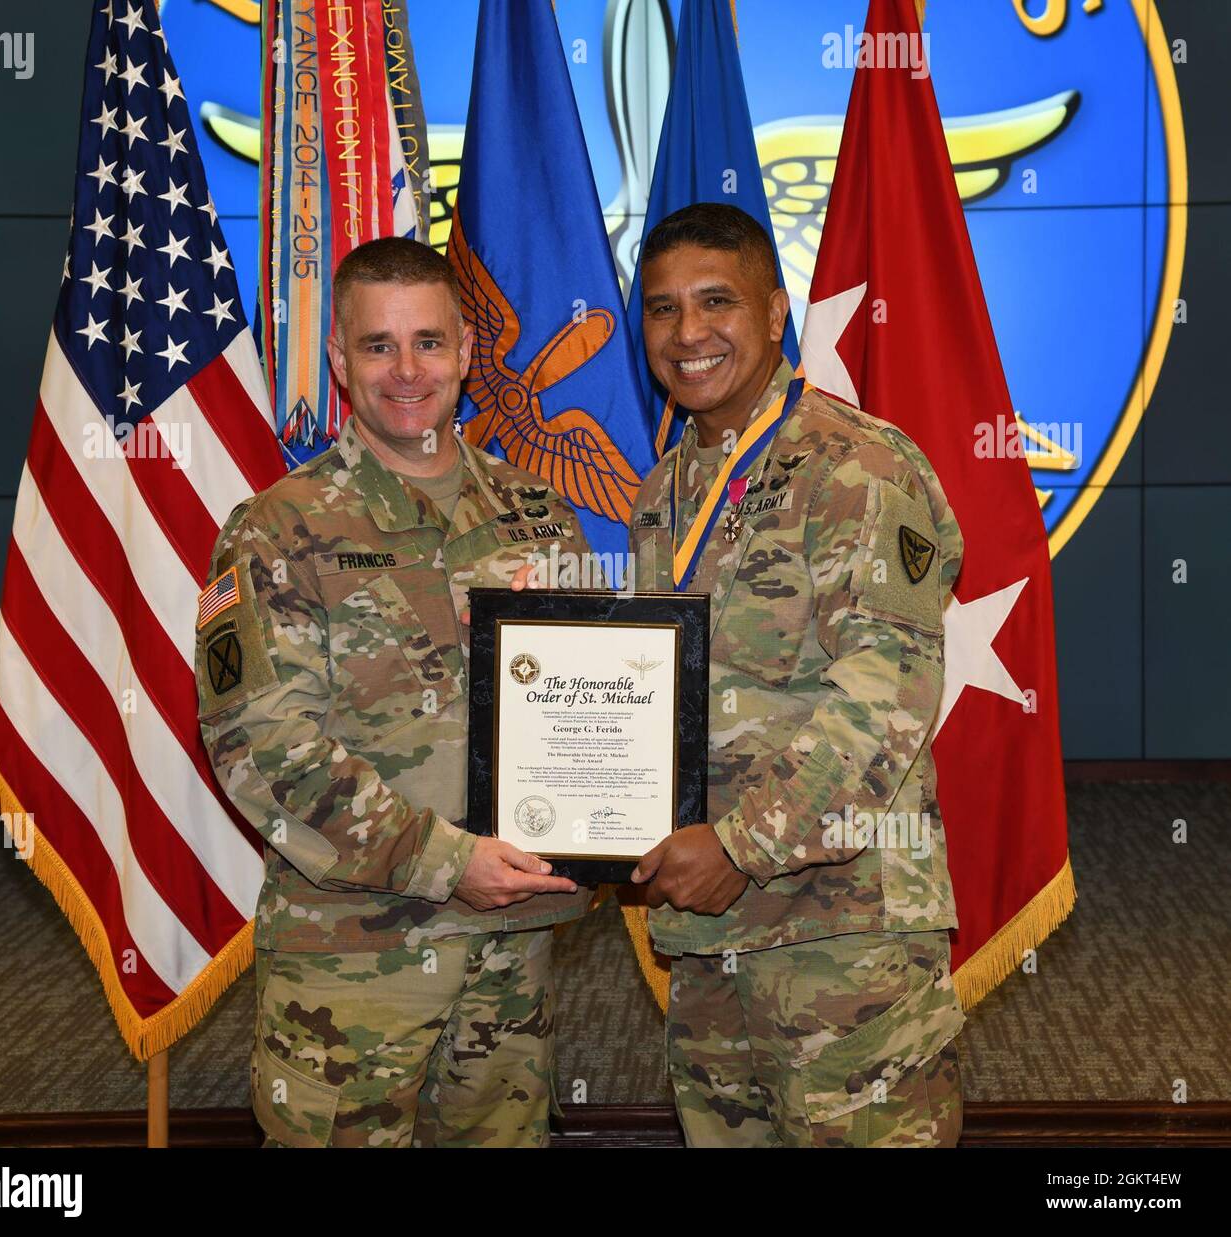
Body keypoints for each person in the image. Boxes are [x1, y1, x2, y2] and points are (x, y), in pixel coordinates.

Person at [195, 237, 593, 1147]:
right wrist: (448, 861)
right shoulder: (275, 530)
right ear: (339, 359)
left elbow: (587, 705)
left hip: (511, 953)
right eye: (379, 345)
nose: (406, 370)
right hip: (356, 965)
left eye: (428, 342)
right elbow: (260, 744)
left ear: (464, 351)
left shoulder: (539, 514)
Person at [628, 202, 966, 1148]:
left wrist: (737, 844)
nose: (688, 333)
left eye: (715, 302)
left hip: (844, 937)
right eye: (661, 309)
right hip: (708, 937)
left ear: (776, 313)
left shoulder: (853, 466)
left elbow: (886, 694)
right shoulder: (663, 494)